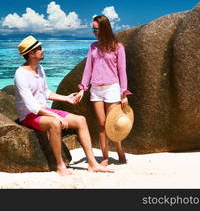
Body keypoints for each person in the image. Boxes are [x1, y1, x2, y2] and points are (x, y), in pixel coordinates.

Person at [14, 35, 113, 176]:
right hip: (29, 115)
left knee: (81, 120)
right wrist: (55, 115)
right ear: (31, 54)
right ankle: (60, 166)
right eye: (40, 48)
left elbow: (46, 92)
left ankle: (92, 164)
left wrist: (66, 99)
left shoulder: (39, 68)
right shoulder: (20, 75)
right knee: (55, 123)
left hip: (43, 110)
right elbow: (31, 106)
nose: (43, 50)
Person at [74, 15, 132, 166]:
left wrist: (124, 94)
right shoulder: (93, 47)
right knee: (101, 124)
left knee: (112, 124)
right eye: (93, 29)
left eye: (96, 29)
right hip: (96, 90)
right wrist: (82, 89)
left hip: (112, 88)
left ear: (104, 28)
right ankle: (105, 157)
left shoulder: (118, 47)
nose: (94, 32)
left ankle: (119, 149)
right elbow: (88, 69)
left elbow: (122, 71)